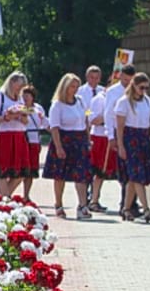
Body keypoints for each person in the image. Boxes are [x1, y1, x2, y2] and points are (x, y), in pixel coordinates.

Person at [42, 73, 93, 219]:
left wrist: (88, 139)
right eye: (72, 86)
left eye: (76, 86)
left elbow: (86, 119)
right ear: (65, 87)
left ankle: (82, 206)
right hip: (64, 139)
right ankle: (58, 204)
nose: (75, 89)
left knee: (81, 174)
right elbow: (54, 127)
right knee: (60, 175)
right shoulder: (57, 105)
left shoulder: (81, 101)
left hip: (80, 139)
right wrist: (58, 147)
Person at [115, 72, 150, 222]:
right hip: (130, 139)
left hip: (143, 139)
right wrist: (120, 146)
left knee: (134, 177)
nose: (144, 90)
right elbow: (119, 127)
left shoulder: (147, 101)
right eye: (141, 87)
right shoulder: (124, 102)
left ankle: (126, 209)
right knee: (136, 175)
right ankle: (146, 208)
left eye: (146, 87)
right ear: (134, 86)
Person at [0, 71, 32, 197]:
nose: (21, 89)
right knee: (3, 171)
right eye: (19, 85)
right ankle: (5, 200)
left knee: (22, 172)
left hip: (19, 135)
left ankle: (4, 198)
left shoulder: (19, 98)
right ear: (11, 82)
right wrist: (7, 117)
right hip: (4, 135)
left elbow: (25, 121)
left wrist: (23, 115)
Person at [105, 64, 136, 215]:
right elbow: (109, 114)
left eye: (130, 79)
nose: (127, 81)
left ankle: (132, 202)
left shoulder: (137, 89)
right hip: (120, 131)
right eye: (125, 78)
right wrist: (111, 136)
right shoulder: (113, 91)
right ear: (120, 76)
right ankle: (125, 203)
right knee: (124, 170)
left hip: (135, 133)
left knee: (136, 170)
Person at [88, 88, 114, 212]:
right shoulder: (99, 99)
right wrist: (108, 117)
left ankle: (95, 198)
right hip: (99, 137)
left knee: (105, 172)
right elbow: (91, 118)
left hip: (111, 137)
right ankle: (93, 200)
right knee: (99, 170)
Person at [21, 85, 48, 202]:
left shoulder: (38, 108)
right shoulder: (19, 108)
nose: (26, 97)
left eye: (28, 95)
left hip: (35, 139)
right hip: (23, 137)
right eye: (24, 95)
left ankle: (26, 195)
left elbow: (45, 123)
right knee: (21, 168)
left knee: (31, 170)